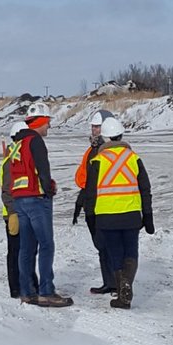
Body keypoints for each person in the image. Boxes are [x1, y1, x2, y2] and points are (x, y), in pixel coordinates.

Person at [81, 116, 154, 310]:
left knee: (115, 254)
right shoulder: (134, 158)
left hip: (107, 217)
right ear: (121, 135)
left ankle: (122, 291)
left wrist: (90, 217)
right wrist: (148, 216)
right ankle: (126, 287)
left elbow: (91, 193)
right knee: (131, 252)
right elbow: (145, 189)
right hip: (131, 215)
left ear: (104, 138)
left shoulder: (97, 160)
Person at [6, 101, 73, 306]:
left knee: (26, 248)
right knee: (46, 245)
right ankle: (46, 291)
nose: (49, 127)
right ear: (41, 121)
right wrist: (49, 189)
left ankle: (27, 292)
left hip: (20, 200)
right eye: (48, 122)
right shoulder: (35, 141)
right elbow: (43, 170)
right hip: (36, 199)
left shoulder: (17, 144)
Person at [72, 108, 118, 295]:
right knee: (102, 246)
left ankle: (117, 283)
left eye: (98, 127)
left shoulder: (107, 152)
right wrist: (80, 203)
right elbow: (84, 180)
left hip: (104, 205)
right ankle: (110, 282)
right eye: (93, 126)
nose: (94, 130)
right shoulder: (91, 150)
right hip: (92, 203)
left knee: (111, 246)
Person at [0, 121, 36, 298]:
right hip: (14, 214)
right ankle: (16, 288)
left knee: (27, 251)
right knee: (15, 252)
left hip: (26, 212)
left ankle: (30, 283)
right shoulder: (11, 160)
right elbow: (7, 190)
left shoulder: (21, 156)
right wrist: (12, 212)